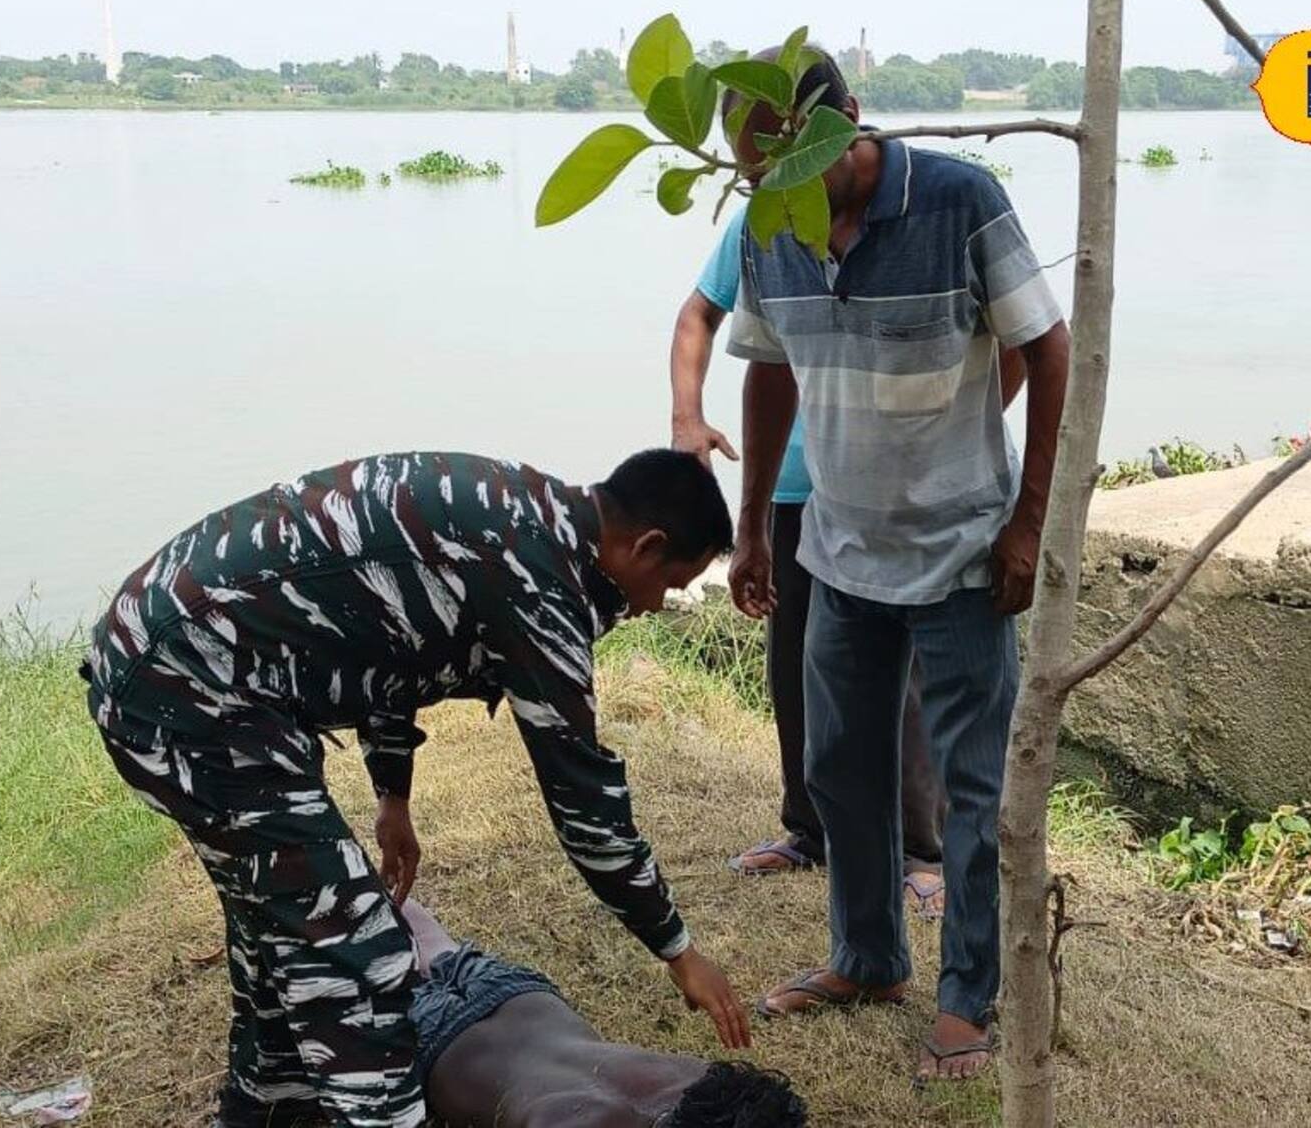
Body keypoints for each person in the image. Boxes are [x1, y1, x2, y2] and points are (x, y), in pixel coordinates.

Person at [81, 450, 749, 1128]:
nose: (650, 607)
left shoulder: (524, 514)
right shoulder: (538, 578)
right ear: (646, 545)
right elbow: (584, 802)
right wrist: (678, 949)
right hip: (189, 681)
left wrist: (391, 795)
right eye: (666, 584)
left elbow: (386, 641)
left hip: (182, 661)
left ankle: (267, 1114)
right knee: (359, 945)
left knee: (280, 935)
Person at [723, 50, 1071, 1081]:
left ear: (849, 125)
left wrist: (1026, 524)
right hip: (838, 553)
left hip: (965, 556)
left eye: (786, 160)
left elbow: (1044, 350)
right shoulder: (765, 230)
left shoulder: (958, 198)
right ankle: (867, 959)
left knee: (971, 790)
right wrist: (751, 524)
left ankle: (969, 996)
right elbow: (767, 370)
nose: (769, 187)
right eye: (749, 171)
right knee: (838, 769)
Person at [671, 206, 968, 917]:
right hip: (793, 488)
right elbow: (698, 316)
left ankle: (921, 850)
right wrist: (687, 417)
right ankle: (809, 830)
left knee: (905, 676)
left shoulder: (904, 221)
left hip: (881, 486)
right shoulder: (760, 225)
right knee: (795, 665)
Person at [398, 895, 808, 1128]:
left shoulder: (713, 1089)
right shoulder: (580, 1120)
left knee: (424, 935)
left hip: (516, 996)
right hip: (437, 1037)